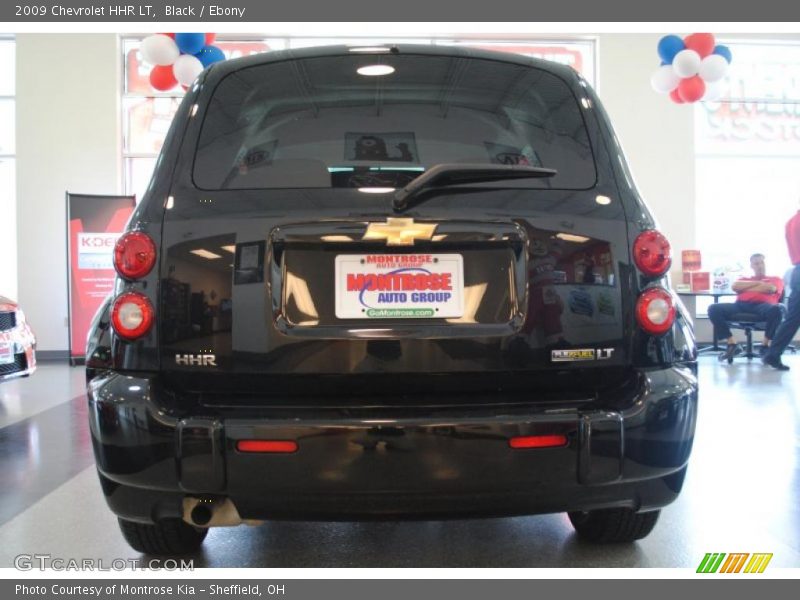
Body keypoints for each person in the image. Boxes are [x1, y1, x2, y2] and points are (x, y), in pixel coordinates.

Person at [708, 253, 784, 362]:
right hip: (740, 306)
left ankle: (765, 345)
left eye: (762, 262)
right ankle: (732, 343)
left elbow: (770, 289)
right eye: (756, 263)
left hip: (763, 307)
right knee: (713, 309)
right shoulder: (744, 278)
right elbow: (735, 286)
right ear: (752, 266)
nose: (760, 265)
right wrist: (758, 283)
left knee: (776, 310)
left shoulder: (775, 279)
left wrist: (747, 288)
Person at [762, 209, 800, 370]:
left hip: (797, 272)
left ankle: (773, 354)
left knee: (793, 318)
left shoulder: (791, 221)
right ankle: (773, 354)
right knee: (793, 318)